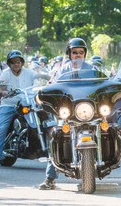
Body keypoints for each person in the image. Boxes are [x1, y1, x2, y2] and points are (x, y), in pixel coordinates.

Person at [39, 37, 92, 190]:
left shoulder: (91, 69)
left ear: (85, 54)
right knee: (56, 135)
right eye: (74, 52)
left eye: (81, 52)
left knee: (108, 126)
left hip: (88, 110)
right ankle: (50, 178)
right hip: (69, 112)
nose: (78, 55)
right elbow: (52, 85)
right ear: (69, 54)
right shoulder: (62, 70)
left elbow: (103, 82)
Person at [0, 50, 50, 164]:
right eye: (13, 62)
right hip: (9, 104)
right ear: (9, 63)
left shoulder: (29, 72)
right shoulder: (6, 73)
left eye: (18, 61)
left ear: (22, 62)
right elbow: (0, 88)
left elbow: (39, 78)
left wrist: (46, 78)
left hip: (27, 102)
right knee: (2, 128)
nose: (16, 64)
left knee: (45, 117)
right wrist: (3, 92)